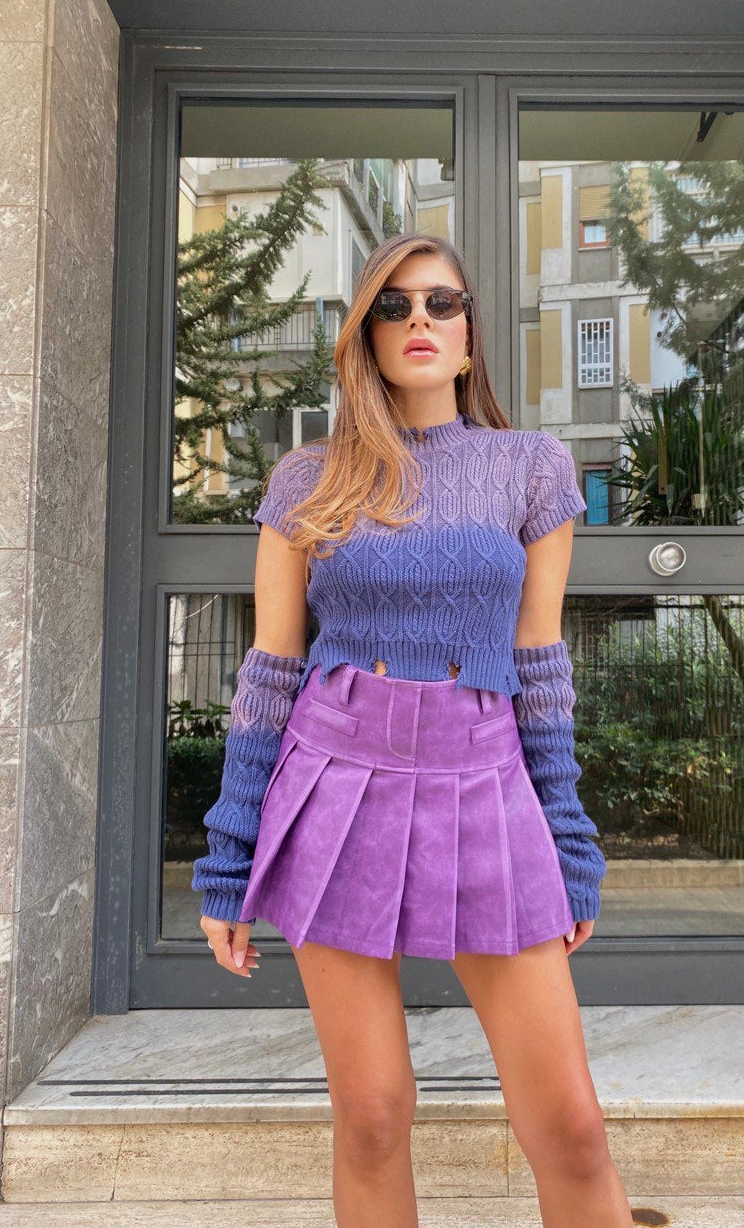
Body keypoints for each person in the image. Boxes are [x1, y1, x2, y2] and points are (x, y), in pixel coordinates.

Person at [192, 232, 634, 1227]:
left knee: (570, 1124)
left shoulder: (532, 468)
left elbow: (539, 664)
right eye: (393, 307)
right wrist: (228, 860)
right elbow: (269, 670)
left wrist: (568, 838)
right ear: (366, 336)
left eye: (441, 302)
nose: (419, 320)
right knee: (373, 1116)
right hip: (335, 776)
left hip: (486, 776)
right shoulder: (308, 478)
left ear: (471, 333)